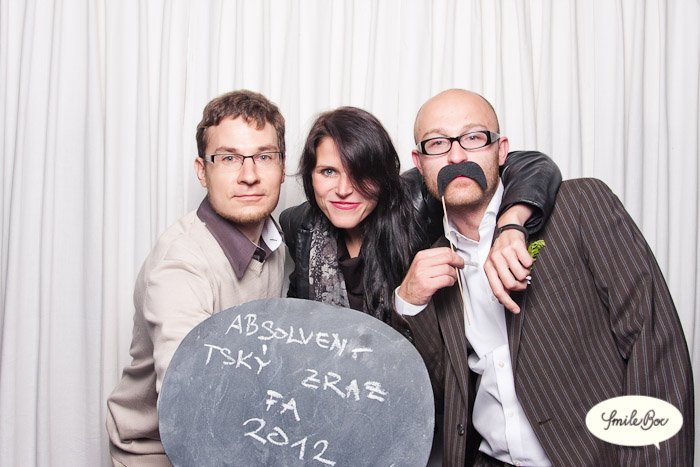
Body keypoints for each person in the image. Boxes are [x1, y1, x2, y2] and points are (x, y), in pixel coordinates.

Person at [396, 89, 694, 466]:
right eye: (437, 143)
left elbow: (654, 345)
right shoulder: (433, 258)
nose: (456, 156)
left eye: (473, 137)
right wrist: (409, 302)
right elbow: (443, 391)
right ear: (419, 162)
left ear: (501, 150)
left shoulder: (579, 206)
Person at [106, 90, 289, 466]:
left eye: (264, 156)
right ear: (202, 171)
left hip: (246, 437)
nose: (250, 176)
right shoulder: (180, 265)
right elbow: (190, 397)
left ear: (282, 167)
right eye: (228, 158)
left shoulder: (275, 242)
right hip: (165, 452)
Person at [280, 106, 562, 332]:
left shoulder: (414, 200)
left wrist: (511, 224)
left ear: (383, 176)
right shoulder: (299, 227)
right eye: (328, 172)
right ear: (310, 176)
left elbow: (531, 164)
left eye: (361, 173)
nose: (344, 190)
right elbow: (299, 322)